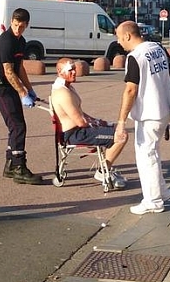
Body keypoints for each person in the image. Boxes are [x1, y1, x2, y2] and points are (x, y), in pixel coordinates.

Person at [114, 21, 170, 215]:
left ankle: (153, 201)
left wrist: (121, 122)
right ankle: (162, 192)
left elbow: (131, 89)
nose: (118, 41)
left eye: (119, 37)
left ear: (128, 36)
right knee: (153, 152)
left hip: (149, 113)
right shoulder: (157, 48)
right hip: (164, 108)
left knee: (146, 156)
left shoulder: (135, 57)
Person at [51, 57, 128, 189]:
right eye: (70, 70)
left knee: (115, 128)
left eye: (74, 69)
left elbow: (81, 114)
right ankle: (102, 172)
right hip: (75, 134)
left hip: (79, 130)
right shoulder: (62, 93)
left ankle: (105, 168)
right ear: (60, 72)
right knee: (121, 136)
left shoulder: (68, 88)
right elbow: (80, 122)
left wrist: (100, 122)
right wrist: (96, 125)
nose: (74, 72)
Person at [0, 7, 42, 185]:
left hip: (9, 84)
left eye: (22, 26)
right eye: (16, 25)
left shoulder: (21, 41)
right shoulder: (7, 41)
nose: (18, 29)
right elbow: (8, 71)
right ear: (11, 22)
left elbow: (19, 68)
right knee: (18, 126)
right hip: (0, 86)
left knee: (16, 125)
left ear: (27, 25)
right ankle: (19, 167)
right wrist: (23, 93)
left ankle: (10, 165)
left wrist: (30, 90)